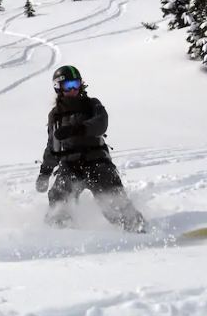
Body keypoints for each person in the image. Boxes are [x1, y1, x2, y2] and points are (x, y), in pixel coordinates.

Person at [35, 65, 146, 232]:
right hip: (70, 165)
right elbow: (52, 146)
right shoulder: (56, 115)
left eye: (76, 84)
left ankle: (135, 227)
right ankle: (61, 232)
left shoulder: (92, 105)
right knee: (59, 194)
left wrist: (78, 129)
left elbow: (101, 123)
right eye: (68, 86)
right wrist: (45, 172)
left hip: (96, 161)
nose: (73, 89)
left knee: (110, 194)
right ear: (58, 88)